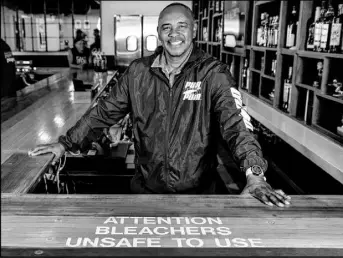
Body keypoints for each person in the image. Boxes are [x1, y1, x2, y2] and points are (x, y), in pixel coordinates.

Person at [29, 3, 291, 207]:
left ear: (194, 30)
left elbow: (237, 126)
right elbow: (102, 113)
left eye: (181, 26)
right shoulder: (138, 73)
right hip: (146, 193)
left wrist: (255, 175)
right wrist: (66, 143)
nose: (173, 34)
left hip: (198, 197)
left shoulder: (214, 74)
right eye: (166, 27)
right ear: (158, 33)